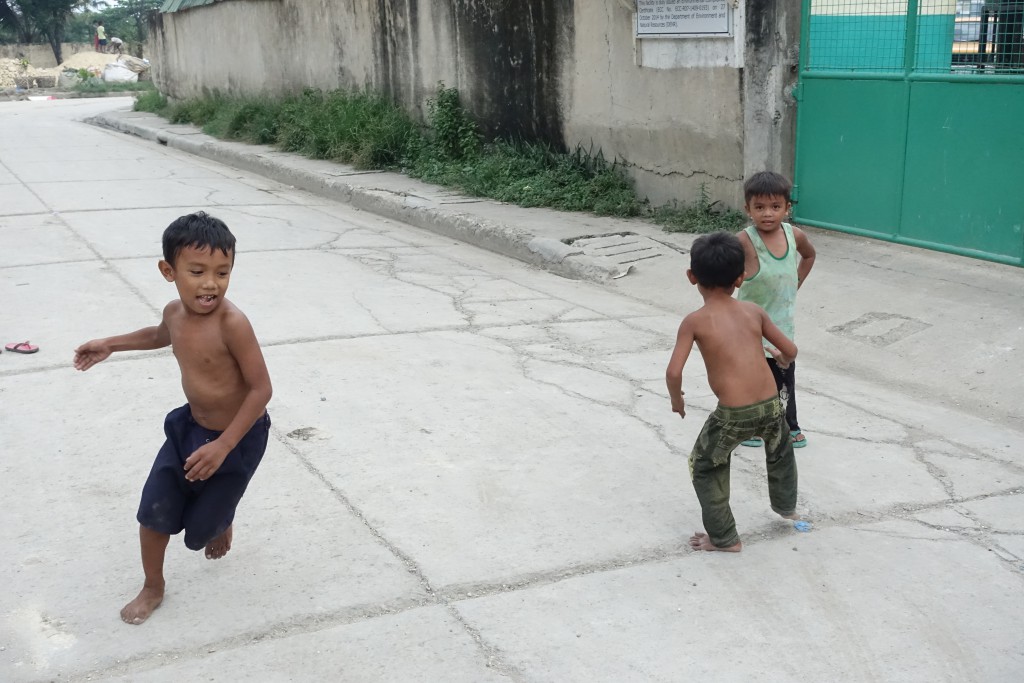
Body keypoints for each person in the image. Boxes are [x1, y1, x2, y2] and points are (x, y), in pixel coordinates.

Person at [74, 212, 273, 625]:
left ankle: (221, 518)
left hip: (238, 437)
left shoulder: (232, 324)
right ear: (169, 271)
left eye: (223, 272)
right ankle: (153, 585)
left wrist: (223, 446)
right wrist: (110, 343)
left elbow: (261, 390)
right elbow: (159, 334)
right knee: (155, 508)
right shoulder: (174, 312)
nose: (210, 283)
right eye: (197, 271)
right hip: (188, 429)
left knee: (200, 534)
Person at [666, 231, 800, 552]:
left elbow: (673, 371)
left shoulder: (694, 321)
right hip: (770, 407)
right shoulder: (754, 311)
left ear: (691, 276)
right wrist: (778, 356)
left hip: (733, 415)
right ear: (740, 278)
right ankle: (786, 506)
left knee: (705, 464)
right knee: (780, 451)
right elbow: (790, 350)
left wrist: (677, 400)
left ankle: (724, 538)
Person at [736, 171, 816, 449]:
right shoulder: (744, 241)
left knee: (784, 380)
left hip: (782, 328)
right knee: (752, 380)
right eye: (759, 207)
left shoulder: (795, 235)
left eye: (775, 207)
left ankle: (790, 426)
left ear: (787, 208)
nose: (767, 214)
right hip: (748, 328)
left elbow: (809, 255)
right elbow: (723, 271)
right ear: (748, 209)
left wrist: (796, 283)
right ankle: (752, 427)